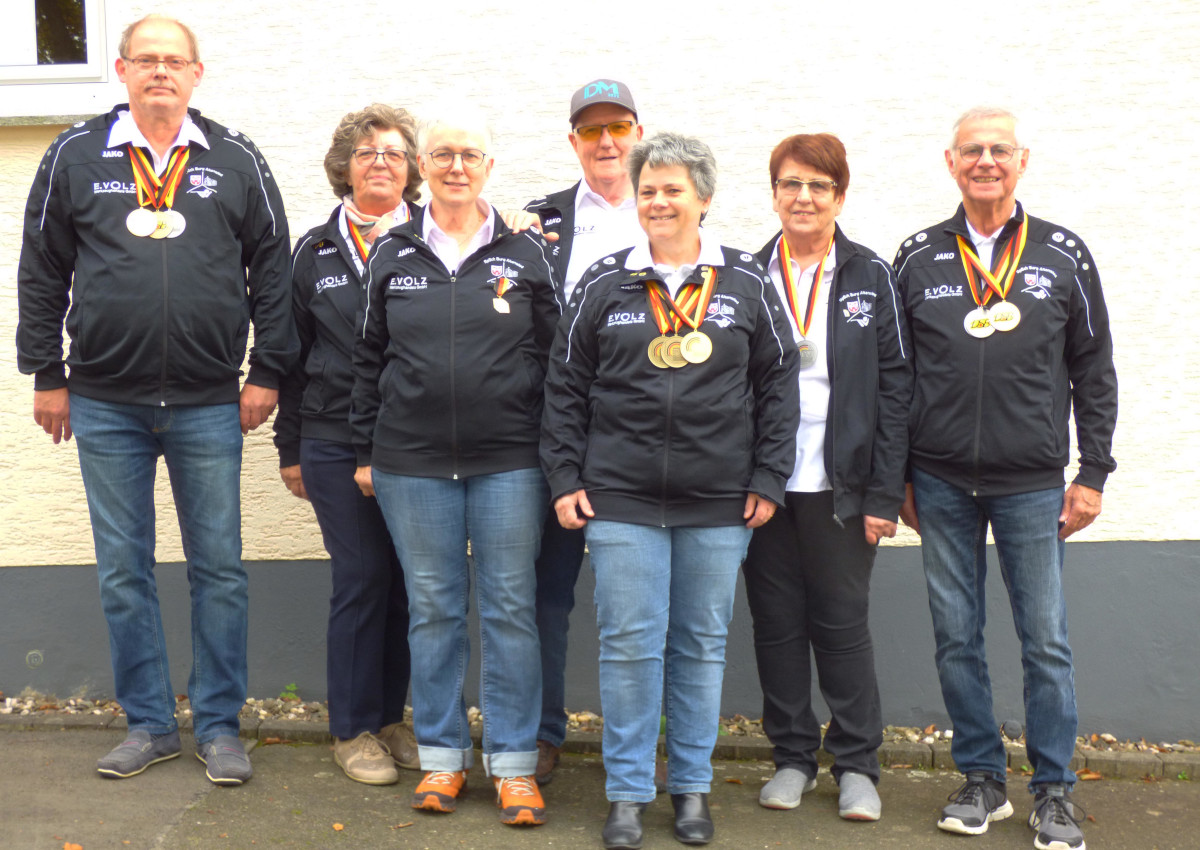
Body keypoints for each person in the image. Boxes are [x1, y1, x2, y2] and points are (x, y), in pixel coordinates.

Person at [15, 14, 296, 786]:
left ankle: (218, 726)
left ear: (197, 74)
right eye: (147, 60)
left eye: (176, 61)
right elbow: (41, 267)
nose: (162, 73)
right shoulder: (75, 155)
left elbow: (272, 271)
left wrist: (267, 370)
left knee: (220, 568)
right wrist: (47, 372)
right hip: (103, 401)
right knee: (122, 570)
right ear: (122, 69)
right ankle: (147, 723)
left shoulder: (236, 159)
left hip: (210, 402)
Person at [541, 131, 800, 849]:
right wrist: (565, 477)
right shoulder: (603, 282)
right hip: (619, 500)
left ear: (704, 200)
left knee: (700, 646)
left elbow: (778, 386)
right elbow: (564, 388)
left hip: (720, 502)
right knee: (628, 647)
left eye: (673, 190)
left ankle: (690, 789)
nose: (658, 201)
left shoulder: (747, 282)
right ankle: (626, 793)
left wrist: (769, 477)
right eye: (648, 189)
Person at [894, 107, 1117, 850]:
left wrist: (1093, 474)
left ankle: (1054, 790)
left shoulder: (1062, 253)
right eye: (971, 151)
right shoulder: (918, 256)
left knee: (1045, 640)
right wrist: (898, 475)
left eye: (998, 150)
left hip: (1032, 485)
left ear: (1023, 160)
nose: (985, 161)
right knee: (957, 636)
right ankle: (981, 777)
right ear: (950, 162)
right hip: (941, 481)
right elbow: (897, 377)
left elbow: (1093, 369)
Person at [350, 106, 559, 827]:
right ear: (421, 166)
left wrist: (555, 453)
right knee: (434, 609)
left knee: (509, 608)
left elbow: (558, 360)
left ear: (490, 167)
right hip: (411, 464)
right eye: (442, 154)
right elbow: (368, 358)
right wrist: (364, 450)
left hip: (510, 462)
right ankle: (442, 757)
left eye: (470, 154)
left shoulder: (528, 253)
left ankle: (513, 765)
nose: (457, 166)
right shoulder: (392, 251)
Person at [744, 133, 912, 822]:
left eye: (818, 185)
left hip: (843, 486)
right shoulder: (749, 275)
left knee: (841, 625)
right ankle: (790, 758)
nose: (804, 197)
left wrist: (882, 492)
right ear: (775, 192)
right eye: (791, 184)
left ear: (839, 195)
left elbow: (898, 388)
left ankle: (856, 766)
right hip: (765, 487)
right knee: (777, 625)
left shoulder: (871, 275)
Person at [273, 104, 422, 786]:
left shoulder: (434, 241)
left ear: (412, 168)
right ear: (344, 168)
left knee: (403, 584)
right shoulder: (315, 251)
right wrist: (290, 447)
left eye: (393, 153)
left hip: (414, 443)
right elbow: (290, 354)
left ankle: (393, 717)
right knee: (361, 575)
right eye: (367, 154)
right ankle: (352, 728)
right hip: (332, 439)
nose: (381, 163)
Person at [523, 78, 645, 786]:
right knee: (548, 594)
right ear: (574, 141)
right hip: (560, 432)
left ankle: (643, 747)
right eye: (591, 131)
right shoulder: (538, 222)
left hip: (643, 438)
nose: (605, 142)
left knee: (644, 598)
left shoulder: (667, 208)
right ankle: (543, 733)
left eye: (618, 127)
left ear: (637, 132)